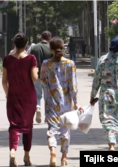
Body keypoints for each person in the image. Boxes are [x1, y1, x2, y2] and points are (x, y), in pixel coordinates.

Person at [40, 36, 78, 166]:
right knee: (65, 129)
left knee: (52, 129)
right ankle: (64, 157)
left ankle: (53, 153)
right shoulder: (70, 64)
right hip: (66, 102)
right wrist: (75, 101)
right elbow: (73, 85)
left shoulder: (46, 64)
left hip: (51, 102)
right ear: (63, 48)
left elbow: (43, 80)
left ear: (50, 49)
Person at [2, 32, 38, 167]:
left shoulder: (7, 59)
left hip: (13, 96)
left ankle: (12, 151)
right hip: (28, 97)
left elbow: (4, 81)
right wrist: (37, 71)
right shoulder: (31, 59)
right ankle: (27, 156)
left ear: (14, 44)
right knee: (27, 126)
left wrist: (7, 94)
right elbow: (34, 78)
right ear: (26, 45)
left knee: (14, 126)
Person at [30, 31, 52, 124]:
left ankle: (38, 108)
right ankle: (47, 116)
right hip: (48, 76)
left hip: (36, 74)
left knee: (37, 94)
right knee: (48, 96)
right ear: (49, 38)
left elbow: (30, 60)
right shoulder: (51, 48)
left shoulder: (34, 47)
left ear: (41, 37)